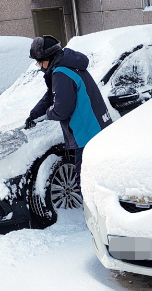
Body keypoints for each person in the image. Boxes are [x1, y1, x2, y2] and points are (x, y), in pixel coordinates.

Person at [25, 35, 112, 187]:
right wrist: (34, 114)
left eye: (39, 62)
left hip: (86, 134)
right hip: (96, 128)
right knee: (98, 178)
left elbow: (61, 110)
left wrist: (48, 115)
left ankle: (94, 210)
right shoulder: (68, 65)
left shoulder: (61, 73)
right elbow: (52, 96)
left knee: (87, 183)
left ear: (48, 58)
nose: (39, 66)